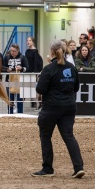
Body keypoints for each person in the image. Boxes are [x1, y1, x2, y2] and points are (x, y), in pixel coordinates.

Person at [32, 40, 85, 179]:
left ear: (52, 52)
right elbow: (76, 88)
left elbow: (40, 89)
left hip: (51, 108)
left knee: (45, 136)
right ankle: (78, 167)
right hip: (69, 107)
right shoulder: (72, 68)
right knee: (69, 136)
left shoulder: (48, 69)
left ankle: (48, 168)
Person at [3, 43, 29, 114]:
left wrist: (21, 68)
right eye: (11, 51)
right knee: (10, 100)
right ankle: (10, 114)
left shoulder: (22, 57)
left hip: (19, 81)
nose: (12, 53)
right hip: (9, 81)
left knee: (19, 100)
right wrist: (7, 70)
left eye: (14, 51)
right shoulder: (7, 57)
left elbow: (27, 68)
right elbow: (2, 67)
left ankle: (20, 114)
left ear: (18, 51)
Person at [25, 36, 43, 109]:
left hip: (33, 71)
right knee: (27, 88)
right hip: (28, 71)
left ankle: (38, 103)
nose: (28, 42)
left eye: (30, 40)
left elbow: (36, 62)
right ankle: (33, 103)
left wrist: (35, 73)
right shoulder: (27, 51)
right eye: (27, 40)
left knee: (35, 88)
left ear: (33, 42)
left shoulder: (35, 51)